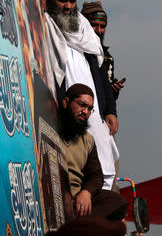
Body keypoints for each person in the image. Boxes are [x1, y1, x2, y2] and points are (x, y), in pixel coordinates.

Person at [45, 0, 119, 190]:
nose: (68, 7)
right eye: (62, 0)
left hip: (95, 113)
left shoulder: (85, 29)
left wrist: (110, 110)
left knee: (104, 170)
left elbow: (101, 74)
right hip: (66, 114)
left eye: (72, 1)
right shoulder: (45, 26)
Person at [59, 84, 127, 222]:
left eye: (89, 108)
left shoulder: (87, 140)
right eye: (82, 105)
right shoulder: (51, 125)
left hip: (76, 200)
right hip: (55, 193)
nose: (85, 112)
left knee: (118, 203)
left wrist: (86, 193)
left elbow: (96, 175)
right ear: (66, 102)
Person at [82, 1, 125, 100]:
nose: (99, 30)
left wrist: (113, 90)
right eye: (94, 25)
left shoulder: (107, 58)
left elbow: (109, 99)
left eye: (103, 26)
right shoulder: (74, 50)